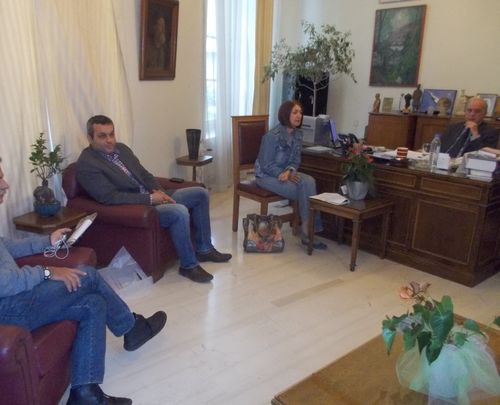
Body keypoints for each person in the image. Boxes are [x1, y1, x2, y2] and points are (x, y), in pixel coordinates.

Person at [0, 157, 167, 405]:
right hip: (9, 310)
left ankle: (85, 393)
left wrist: (48, 241)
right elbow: (5, 283)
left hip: (15, 301)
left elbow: (5, 247)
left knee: (93, 304)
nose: (6, 184)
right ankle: (131, 327)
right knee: (88, 275)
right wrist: (47, 271)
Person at [76, 115, 231, 283]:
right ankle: (188, 266)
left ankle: (204, 249)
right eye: (102, 136)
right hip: (140, 207)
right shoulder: (87, 164)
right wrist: (150, 199)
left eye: (111, 134)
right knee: (179, 211)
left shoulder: (122, 149)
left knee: (200, 193)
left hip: (154, 197)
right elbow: (109, 197)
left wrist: (161, 192)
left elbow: (144, 174)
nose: (109, 140)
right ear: (90, 138)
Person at [254, 100, 326, 249]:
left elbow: (295, 160)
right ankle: (308, 232)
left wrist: (289, 171)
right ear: (286, 114)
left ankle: (307, 229)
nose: (299, 116)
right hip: (265, 175)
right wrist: (282, 173)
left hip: (285, 172)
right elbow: (265, 164)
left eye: (300, 112)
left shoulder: (298, 134)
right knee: (304, 190)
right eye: (295, 112)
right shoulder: (272, 136)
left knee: (310, 181)